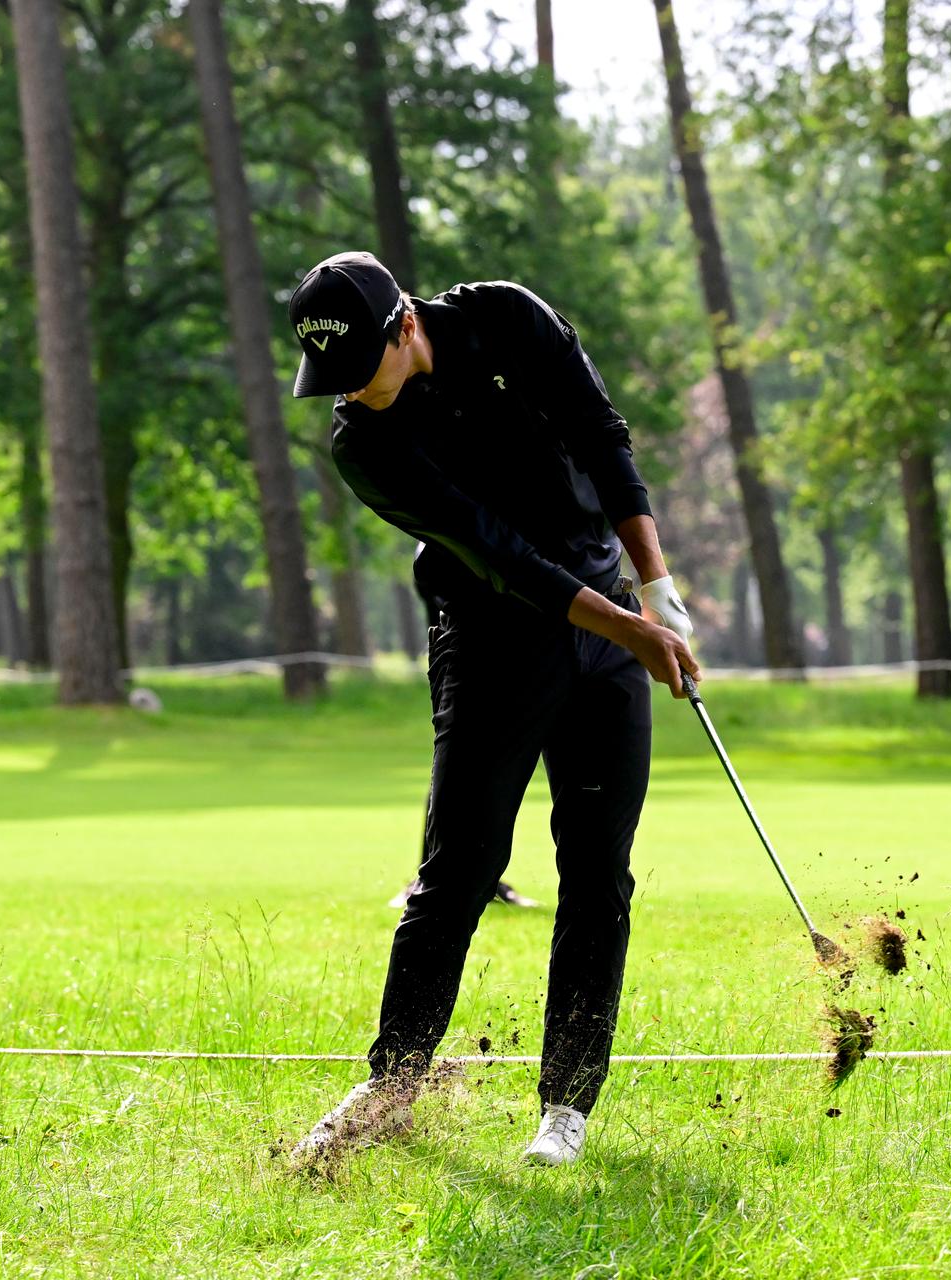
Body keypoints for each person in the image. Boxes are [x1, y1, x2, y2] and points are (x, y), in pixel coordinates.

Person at [282, 252, 700, 1169]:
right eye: (334, 381)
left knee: (598, 873)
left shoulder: (508, 318)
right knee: (460, 869)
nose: (349, 394)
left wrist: (655, 586)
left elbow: (601, 435)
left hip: (607, 618)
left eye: (360, 370)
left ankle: (566, 1107)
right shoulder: (365, 446)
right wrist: (631, 627)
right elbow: (497, 553)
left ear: (403, 327)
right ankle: (390, 1084)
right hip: (489, 636)